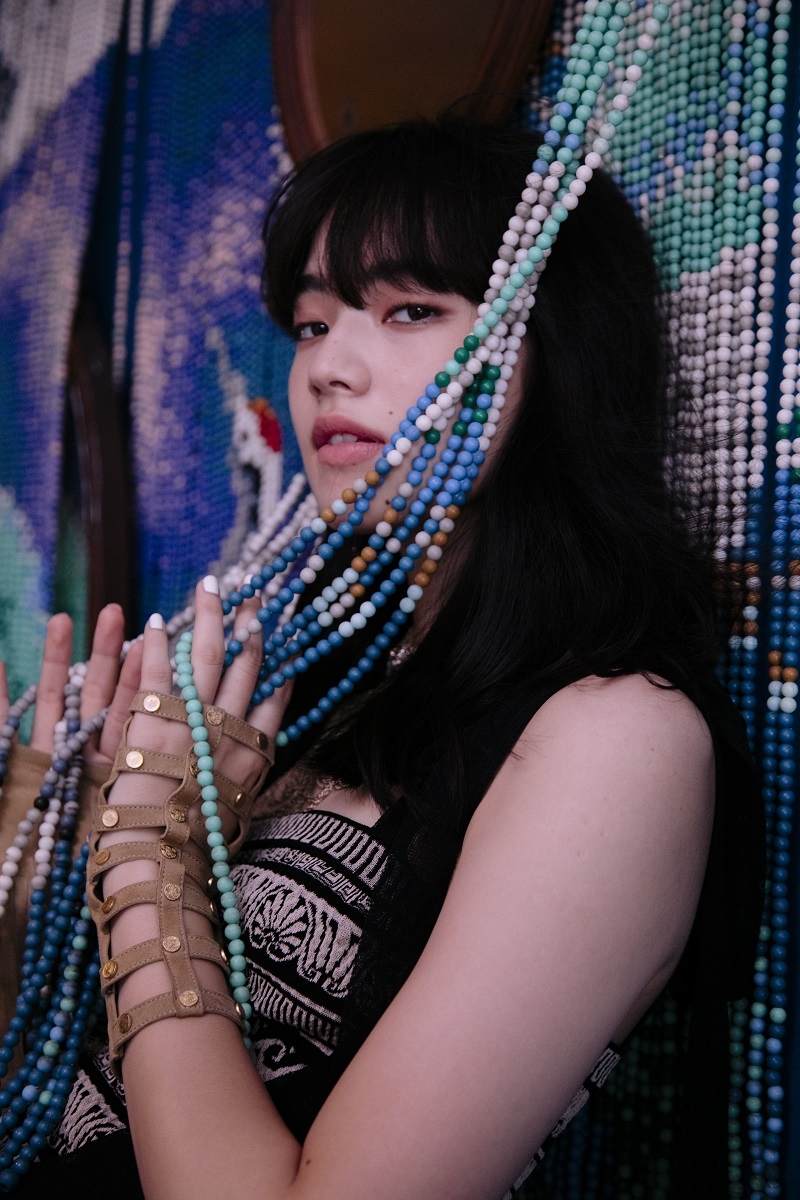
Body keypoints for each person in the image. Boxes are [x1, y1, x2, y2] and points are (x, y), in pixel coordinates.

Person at [1, 119, 763, 1199]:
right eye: (313, 323)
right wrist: (37, 874)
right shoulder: (304, 689)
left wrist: (145, 864)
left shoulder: (616, 738)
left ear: (553, 345)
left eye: (410, 310)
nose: (329, 367)